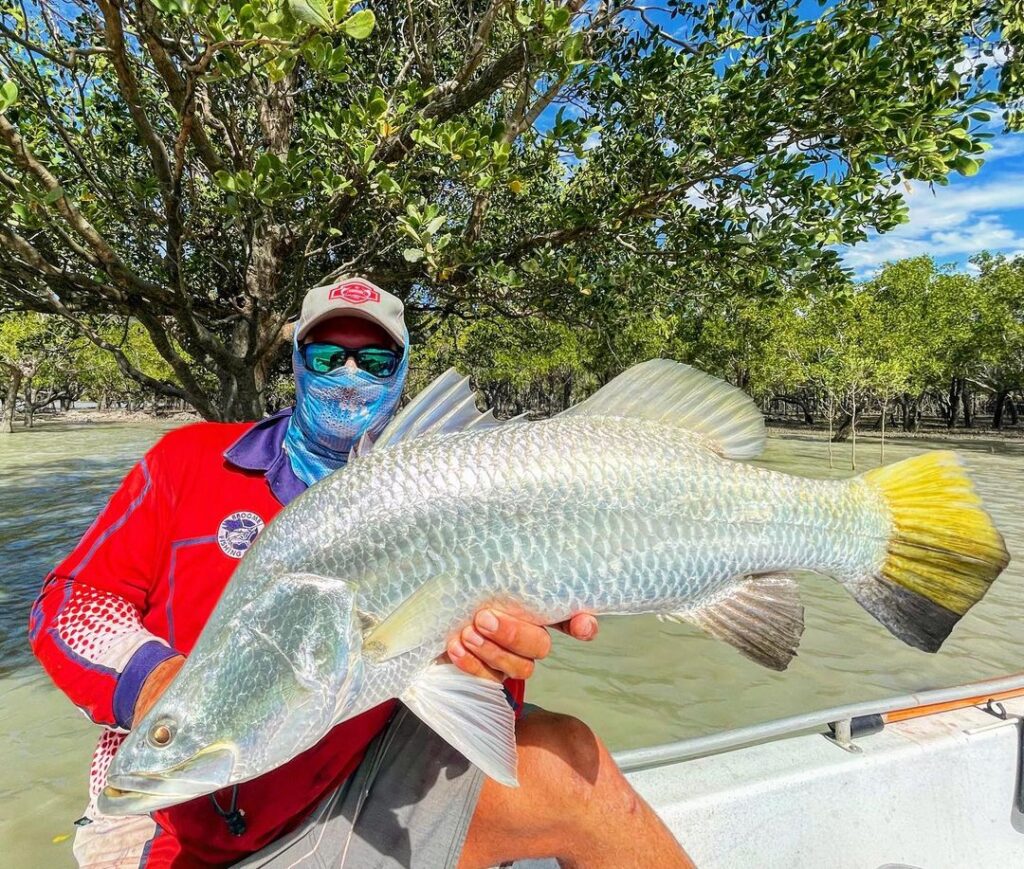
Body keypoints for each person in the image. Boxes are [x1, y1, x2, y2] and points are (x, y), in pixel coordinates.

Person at [30, 276, 692, 868]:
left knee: (575, 765)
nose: (350, 374)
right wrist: (160, 686)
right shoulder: (188, 463)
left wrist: (492, 660)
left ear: (402, 373)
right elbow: (69, 604)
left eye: (375, 359)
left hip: (368, 784)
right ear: (297, 363)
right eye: (328, 354)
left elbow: (467, 694)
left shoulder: (451, 488)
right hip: (209, 831)